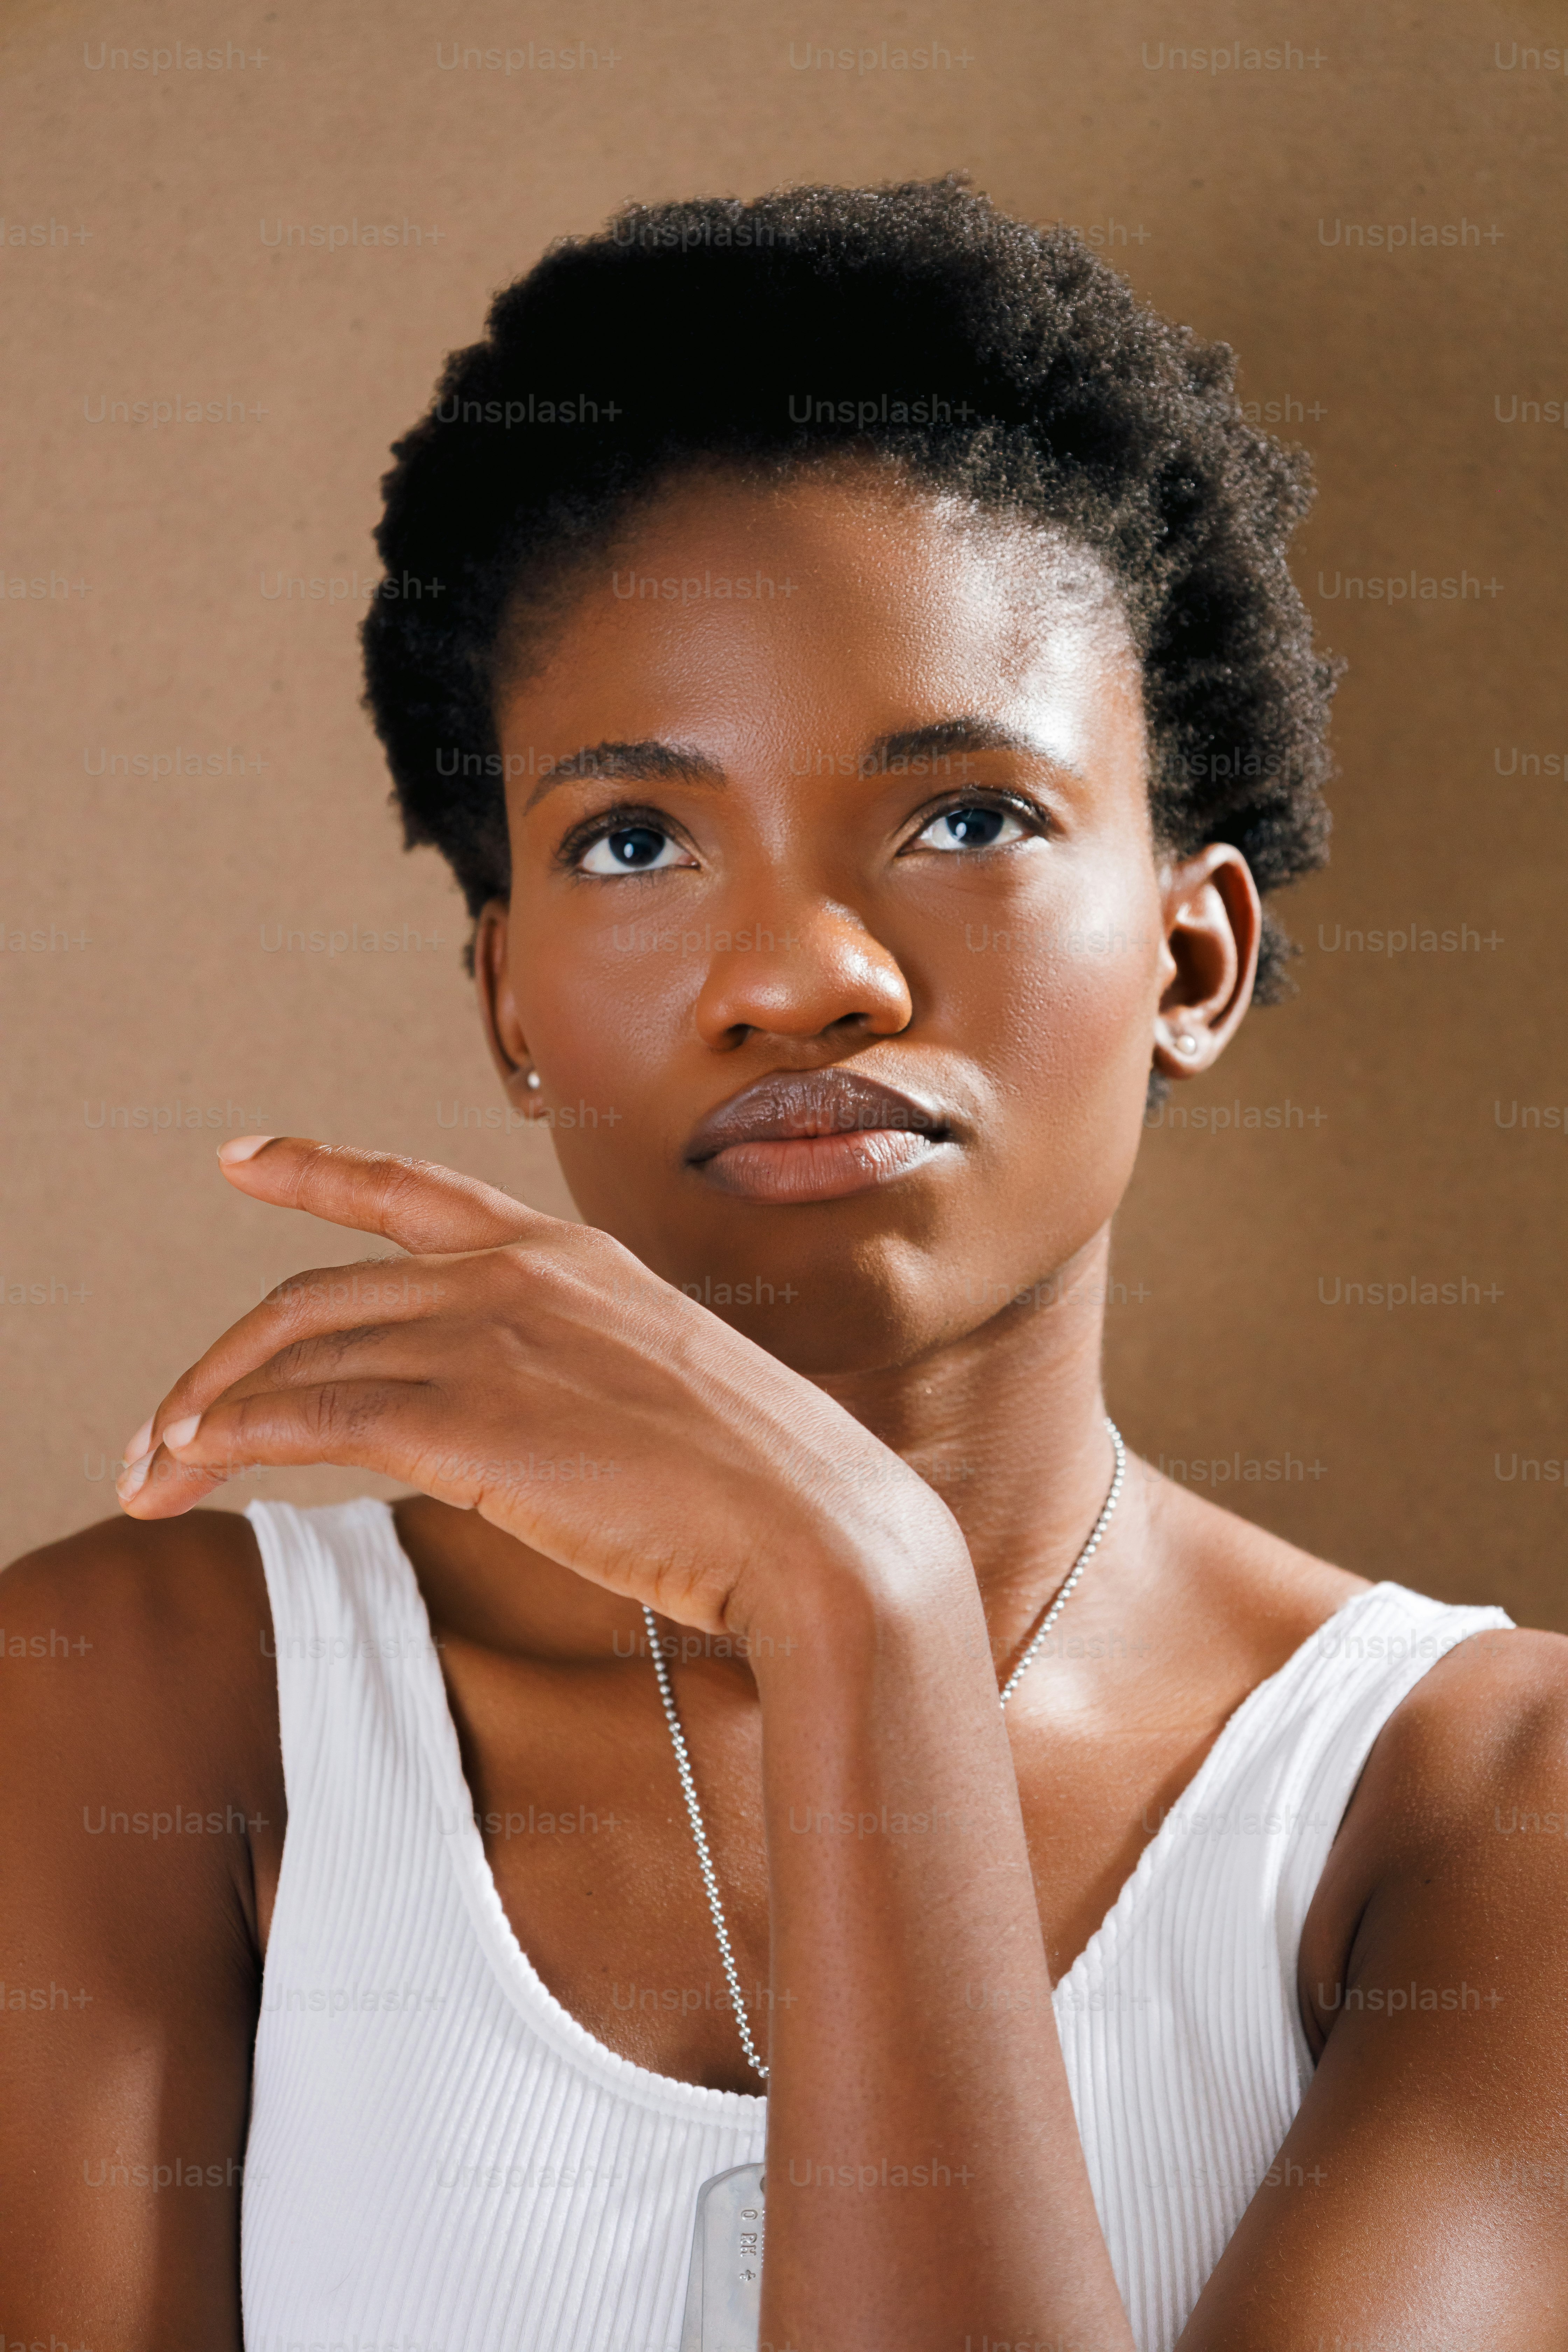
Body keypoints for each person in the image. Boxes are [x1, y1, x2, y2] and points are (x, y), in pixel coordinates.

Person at [3, 177, 1563, 2352]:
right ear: (511, 1004)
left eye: (968, 819)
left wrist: (864, 1618)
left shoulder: (1486, 1804)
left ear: (1195, 955)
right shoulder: (133, 1700)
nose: (802, 975)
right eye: (633, 842)